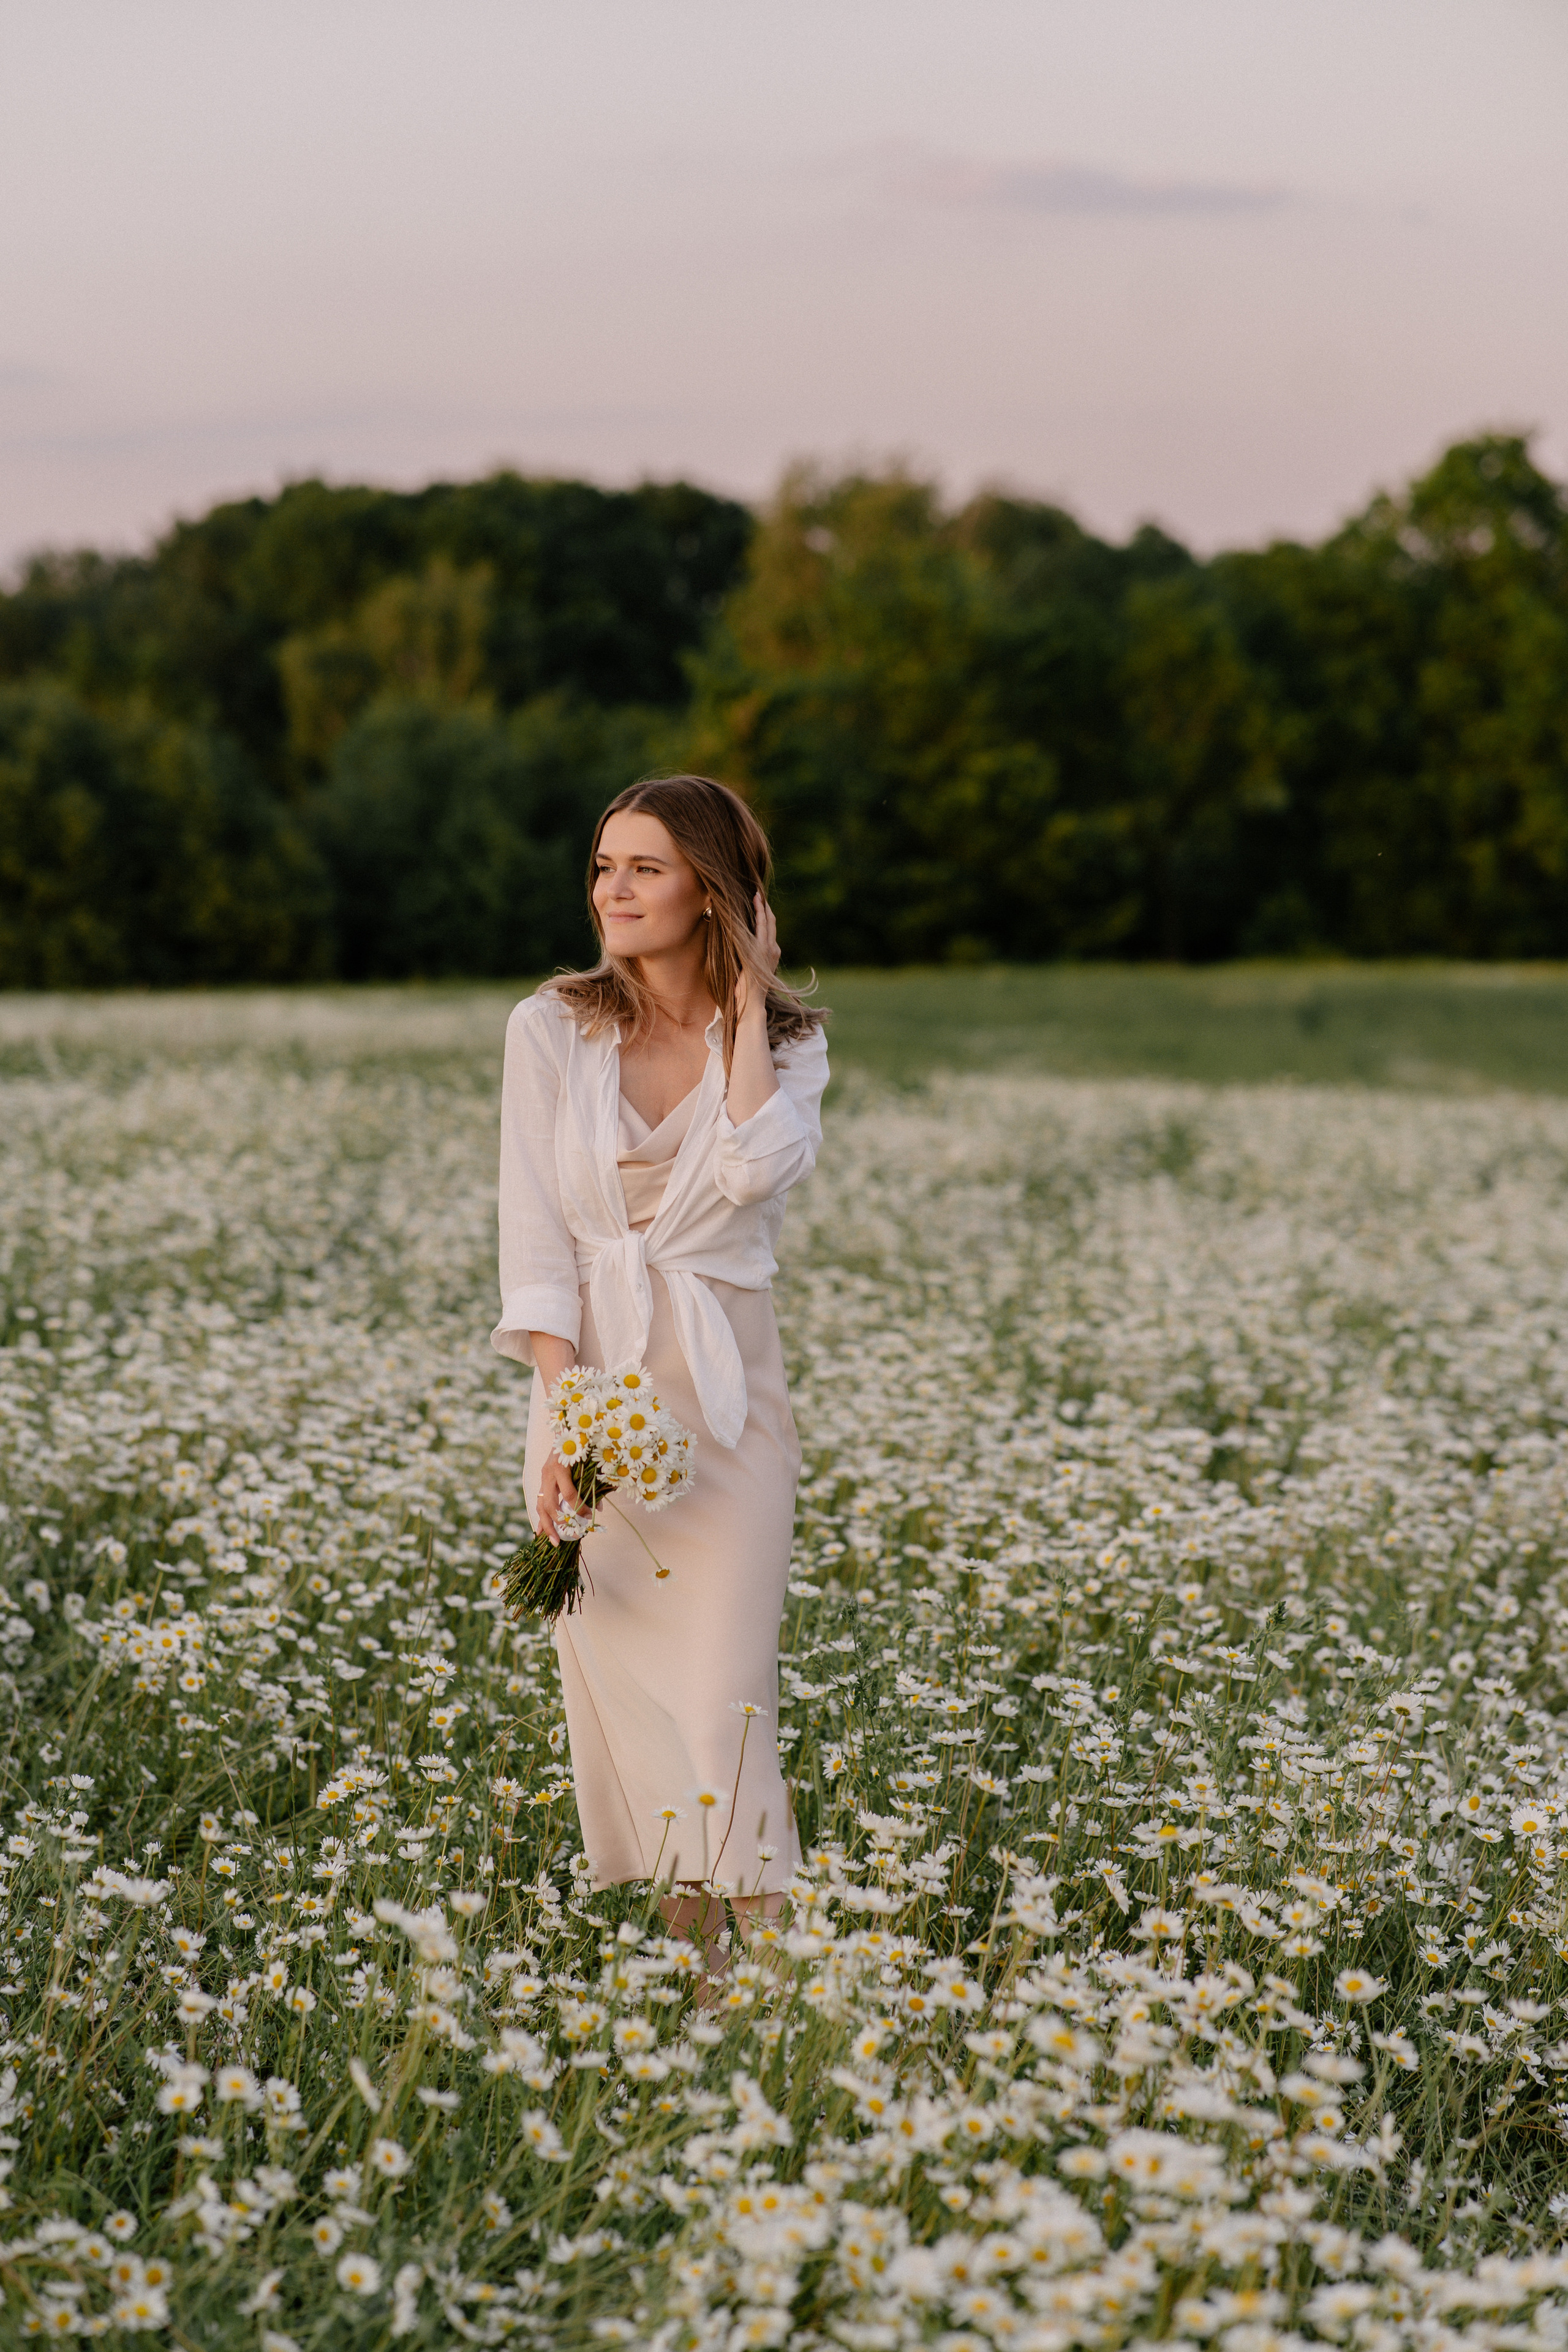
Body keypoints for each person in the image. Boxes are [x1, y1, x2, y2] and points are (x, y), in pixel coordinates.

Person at [491, 772, 828, 1962]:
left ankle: (771, 1986)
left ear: (710, 891)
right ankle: (699, 1995)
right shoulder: (549, 1028)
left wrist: (740, 1011)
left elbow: (749, 1175)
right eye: (601, 866)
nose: (612, 890)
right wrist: (562, 1414)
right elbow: (534, 1247)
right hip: (588, 1406)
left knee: (723, 1700)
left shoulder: (787, 1042)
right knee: (639, 1716)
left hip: (728, 1414)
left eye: (643, 866)